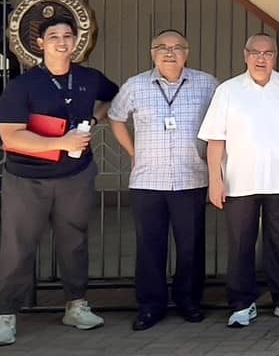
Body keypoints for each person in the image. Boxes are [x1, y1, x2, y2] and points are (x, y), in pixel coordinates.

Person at [0, 14, 119, 347]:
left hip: (75, 175)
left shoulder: (90, 78)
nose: (62, 42)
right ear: (41, 44)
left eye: (68, 35)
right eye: (54, 36)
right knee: (18, 247)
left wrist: (93, 118)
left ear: (77, 42)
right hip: (26, 178)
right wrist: (61, 143)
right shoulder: (22, 86)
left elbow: (115, 98)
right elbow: (11, 137)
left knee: (74, 241)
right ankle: (7, 316)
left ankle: (76, 305)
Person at [108, 29, 218, 331]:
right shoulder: (136, 85)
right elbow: (115, 117)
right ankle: (150, 306)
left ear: (188, 52)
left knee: (191, 246)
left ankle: (189, 301)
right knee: (149, 247)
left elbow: (223, 123)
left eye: (177, 47)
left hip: (191, 178)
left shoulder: (207, 84)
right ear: (151, 52)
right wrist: (133, 151)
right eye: (162, 47)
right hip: (147, 181)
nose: (170, 53)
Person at [198, 33, 279, 328]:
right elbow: (215, 139)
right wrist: (215, 180)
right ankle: (241, 303)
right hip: (239, 182)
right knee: (241, 244)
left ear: (276, 57)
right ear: (245, 56)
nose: (262, 59)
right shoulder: (228, 90)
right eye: (256, 53)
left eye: (268, 53)